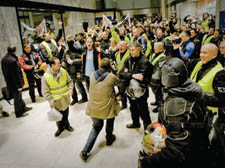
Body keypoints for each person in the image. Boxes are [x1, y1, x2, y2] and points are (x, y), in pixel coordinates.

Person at [138, 57, 214, 168]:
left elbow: (177, 147)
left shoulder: (176, 104)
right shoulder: (193, 87)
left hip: (189, 150)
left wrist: (149, 160)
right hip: (201, 138)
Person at [80, 58, 121, 161]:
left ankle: (85, 151)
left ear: (99, 66)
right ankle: (109, 138)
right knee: (110, 119)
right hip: (107, 106)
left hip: (93, 107)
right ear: (109, 67)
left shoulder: (92, 75)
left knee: (96, 127)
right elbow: (119, 83)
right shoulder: (112, 77)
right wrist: (115, 71)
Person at [119, 42, 153, 129]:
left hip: (141, 91)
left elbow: (142, 77)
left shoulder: (144, 61)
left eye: (133, 50)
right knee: (133, 108)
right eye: (130, 50)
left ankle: (148, 133)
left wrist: (128, 73)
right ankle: (135, 123)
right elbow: (121, 73)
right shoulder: (128, 59)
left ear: (138, 50)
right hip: (130, 90)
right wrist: (133, 75)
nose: (131, 52)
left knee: (144, 112)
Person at [42, 57, 74, 137]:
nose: (60, 64)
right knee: (58, 116)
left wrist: (70, 89)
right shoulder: (46, 76)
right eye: (58, 63)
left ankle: (67, 125)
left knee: (66, 113)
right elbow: (45, 91)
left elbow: (70, 81)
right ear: (52, 65)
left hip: (65, 98)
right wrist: (50, 100)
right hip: (56, 101)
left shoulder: (63, 71)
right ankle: (60, 128)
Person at [190, 43, 224, 114]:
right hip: (194, 110)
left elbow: (222, 101)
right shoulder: (200, 63)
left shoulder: (220, 73)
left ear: (214, 55)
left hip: (209, 115)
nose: (201, 55)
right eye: (201, 52)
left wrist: (197, 96)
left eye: (205, 53)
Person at [1, 44, 32, 118]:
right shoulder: (12, 61)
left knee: (19, 96)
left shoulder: (4, 59)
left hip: (9, 82)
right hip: (15, 84)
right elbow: (15, 75)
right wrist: (19, 85)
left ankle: (23, 108)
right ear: (14, 51)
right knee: (17, 98)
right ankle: (18, 113)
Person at [65, 35, 88, 105]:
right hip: (69, 71)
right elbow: (64, 59)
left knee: (79, 84)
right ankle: (74, 99)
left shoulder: (77, 49)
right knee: (72, 86)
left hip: (77, 70)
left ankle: (84, 97)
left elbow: (83, 59)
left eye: (70, 39)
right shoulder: (66, 51)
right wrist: (67, 61)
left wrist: (73, 61)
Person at [149, 42, 165, 113]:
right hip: (153, 75)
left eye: (156, 47)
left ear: (160, 48)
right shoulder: (154, 54)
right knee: (155, 92)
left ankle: (159, 107)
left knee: (159, 93)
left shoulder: (162, 57)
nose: (154, 48)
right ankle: (156, 102)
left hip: (159, 78)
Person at [115, 41, 129, 110]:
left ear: (126, 46)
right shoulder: (116, 54)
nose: (121, 47)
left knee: (127, 90)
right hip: (118, 75)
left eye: (122, 45)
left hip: (127, 76)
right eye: (119, 45)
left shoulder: (129, 53)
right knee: (121, 90)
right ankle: (124, 104)